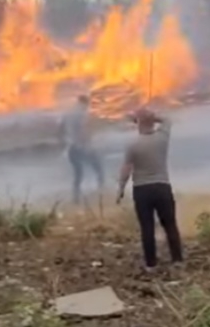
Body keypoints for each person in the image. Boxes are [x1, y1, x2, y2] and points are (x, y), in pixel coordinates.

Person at [116, 108, 184, 270]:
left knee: (147, 227)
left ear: (138, 123)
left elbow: (126, 168)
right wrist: (152, 116)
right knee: (170, 224)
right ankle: (177, 260)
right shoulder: (162, 138)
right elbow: (167, 119)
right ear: (153, 122)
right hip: (162, 187)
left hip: (142, 190)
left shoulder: (133, 145)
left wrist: (121, 188)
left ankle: (151, 264)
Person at [60, 94, 104, 204]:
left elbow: (61, 129)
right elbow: (83, 130)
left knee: (78, 174)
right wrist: (88, 145)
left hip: (72, 147)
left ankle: (76, 198)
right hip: (81, 147)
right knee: (98, 169)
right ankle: (101, 193)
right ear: (85, 103)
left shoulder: (69, 113)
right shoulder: (81, 114)